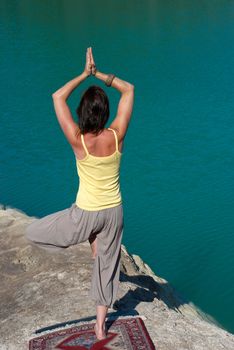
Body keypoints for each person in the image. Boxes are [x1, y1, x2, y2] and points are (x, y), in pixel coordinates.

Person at [25, 47, 134, 340]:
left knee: (33, 232)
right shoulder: (117, 134)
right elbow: (129, 90)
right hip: (113, 212)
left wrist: (83, 74)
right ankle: (100, 328)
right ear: (106, 113)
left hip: (85, 213)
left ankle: (88, 239)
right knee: (106, 269)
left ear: (82, 113)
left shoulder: (78, 141)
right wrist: (99, 74)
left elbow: (57, 97)